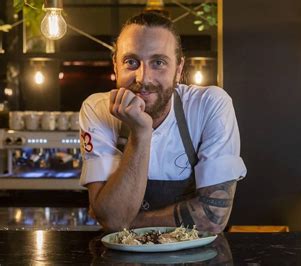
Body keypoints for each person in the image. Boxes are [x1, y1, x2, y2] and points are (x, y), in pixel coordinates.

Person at [79, 10, 247, 233]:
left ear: (178, 70)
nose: (143, 78)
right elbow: (112, 221)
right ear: (115, 66)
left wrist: (124, 221)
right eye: (131, 62)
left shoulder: (210, 105)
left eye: (158, 62)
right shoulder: (97, 109)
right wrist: (141, 133)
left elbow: (212, 219)